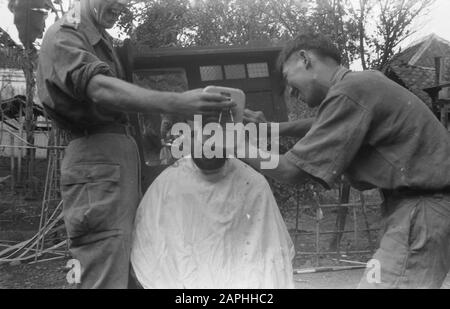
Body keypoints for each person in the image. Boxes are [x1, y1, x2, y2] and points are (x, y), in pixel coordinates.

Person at [36, 0, 233, 289]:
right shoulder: (65, 34)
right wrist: (179, 102)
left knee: (134, 262)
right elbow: (100, 88)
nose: (121, 6)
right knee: (102, 270)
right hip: (95, 155)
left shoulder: (102, 41)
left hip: (116, 155)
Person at [242, 32, 450, 289]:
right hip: (420, 211)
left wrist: (236, 146)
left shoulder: (349, 92)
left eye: (288, 79)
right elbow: (323, 123)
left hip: (420, 212)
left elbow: (290, 171)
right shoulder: (366, 81)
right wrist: (274, 129)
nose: (292, 93)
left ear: (305, 59)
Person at [131, 121, 295, 289]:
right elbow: (148, 251)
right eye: (199, 137)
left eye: (214, 138)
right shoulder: (166, 185)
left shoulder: (253, 184)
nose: (207, 146)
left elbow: (272, 260)